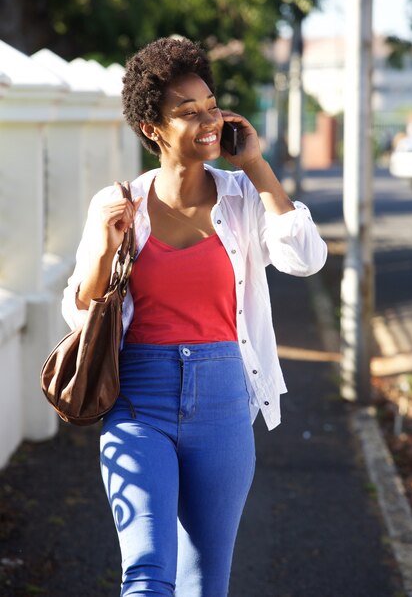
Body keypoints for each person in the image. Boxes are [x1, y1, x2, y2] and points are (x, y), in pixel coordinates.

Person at [62, 37, 327, 597]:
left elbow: (305, 259)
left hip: (225, 402)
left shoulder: (242, 196)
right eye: (188, 112)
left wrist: (256, 165)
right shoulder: (119, 205)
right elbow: (78, 312)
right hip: (138, 401)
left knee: (205, 582)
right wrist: (106, 252)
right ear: (152, 130)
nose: (209, 120)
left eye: (211, 105)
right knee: (147, 574)